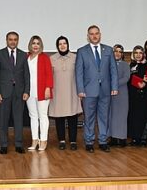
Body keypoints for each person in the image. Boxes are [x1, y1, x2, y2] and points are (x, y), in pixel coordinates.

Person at [75, 25, 118, 153]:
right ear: (88, 36)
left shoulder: (108, 50)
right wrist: (80, 89)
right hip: (88, 91)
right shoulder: (82, 51)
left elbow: (113, 70)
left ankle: (103, 141)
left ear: (100, 35)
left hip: (106, 90)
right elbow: (79, 73)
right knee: (89, 117)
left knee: (104, 117)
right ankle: (89, 142)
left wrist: (114, 86)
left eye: (96, 33)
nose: (94, 36)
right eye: (91, 34)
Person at [0, 31, 30, 154]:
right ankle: (3, 145)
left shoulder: (23, 55)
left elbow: (26, 75)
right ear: (6, 40)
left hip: (19, 93)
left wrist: (26, 91)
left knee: (18, 119)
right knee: (3, 120)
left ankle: (19, 144)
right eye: (10, 39)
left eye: (15, 39)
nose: (13, 41)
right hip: (4, 93)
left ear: (17, 41)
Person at [49, 36, 82, 150]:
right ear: (57, 46)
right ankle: (61, 140)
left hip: (72, 91)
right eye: (60, 44)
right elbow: (49, 76)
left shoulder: (75, 57)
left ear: (68, 45)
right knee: (59, 117)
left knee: (73, 116)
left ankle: (73, 141)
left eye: (65, 43)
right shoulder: (52, 59)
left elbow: (80, 75)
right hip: (57, 92)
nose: (62, 46)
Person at [27, 35, 53, 151]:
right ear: (30, 45)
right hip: (29, 92)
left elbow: (49, 74)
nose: (35, 45)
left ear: (40, 45)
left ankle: (43, 140)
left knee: (42, 116)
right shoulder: (26, 57)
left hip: (42, 91)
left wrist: (48, 88)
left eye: (38, 43)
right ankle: (34, 140)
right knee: (33, 116)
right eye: (33, 43)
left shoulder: (45, 57)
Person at [127, 45, 147, 146]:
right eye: (136, 53)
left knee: (143, 116)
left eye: (140, 53)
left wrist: (145, 82)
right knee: (133, 116)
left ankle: (143, 138)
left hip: (143, 95)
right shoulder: (130, 65)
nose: (138, 55)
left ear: (143, 54)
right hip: (132, 95)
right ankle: (135, 138)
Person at [109, 44, 130, 147]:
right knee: (111, 115)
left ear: (122, 54)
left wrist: (114, 84)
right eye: (115, 51)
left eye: (119, 51)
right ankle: (113, 138)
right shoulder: (108, 64)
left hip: (122, 94)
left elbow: (126, 78)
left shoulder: (125, 65)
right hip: (110, 94)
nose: (117, 53)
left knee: (121, 116)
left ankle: (122, 138)